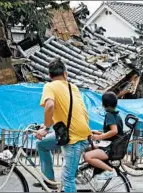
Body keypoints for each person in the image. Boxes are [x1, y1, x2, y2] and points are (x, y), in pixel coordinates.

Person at [35, 58, 91, 192]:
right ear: (65, 74)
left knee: (67, 178)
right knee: (42, 144)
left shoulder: (49, 86)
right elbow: (69, 111)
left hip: (74, 138)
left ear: (49, 76)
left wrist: (46, 128)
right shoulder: (73, 87)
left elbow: (50, 105)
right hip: (75, 132)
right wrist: (45, 126)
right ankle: (50, 181)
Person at [84, 91, 124, 180]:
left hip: (110, 149)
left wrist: (99, 137)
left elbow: (114, 131)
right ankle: (96, 169)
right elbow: (112, 134)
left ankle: (109, 171)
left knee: (87, 156)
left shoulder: (109, 115)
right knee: (87, 148)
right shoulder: (117, 115)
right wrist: (97, 133)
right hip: (114, 147)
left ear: (104, 104)